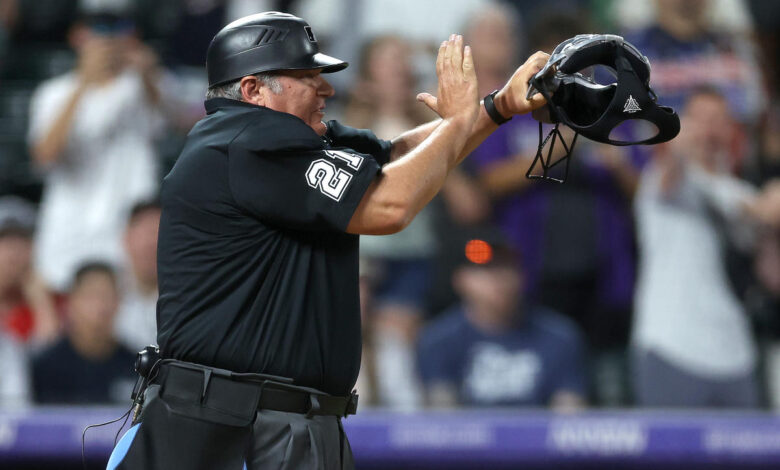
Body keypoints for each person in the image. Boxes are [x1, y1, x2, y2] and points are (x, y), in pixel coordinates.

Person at [106, 11, 549, 470]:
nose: (327, 89)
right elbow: (388, 205)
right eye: (306, 76)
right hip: (224, 428)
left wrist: (497, 108)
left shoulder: (289, 142)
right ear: (253, 89)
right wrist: (458, 123)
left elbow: (398, 156)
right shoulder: (242, 144)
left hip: (276, 422)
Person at [632, 87, 764, 408]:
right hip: (671, 348)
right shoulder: (663, 179)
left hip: (736, 354)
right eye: (700, 119)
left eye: (719, 120)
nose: (709, 129)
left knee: (753, 459)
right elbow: (671, 168)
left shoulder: (740, 191)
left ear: (732, 130)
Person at [27, 9, 167, 292]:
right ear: (78, 39)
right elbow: (44, 155)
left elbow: (184, 121)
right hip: (70, 232)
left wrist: (149, 74)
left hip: (129, 234)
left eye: (115, 36)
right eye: (99, 35)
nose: (107, 45)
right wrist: (83, 83)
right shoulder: (53, 92)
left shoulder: (143, 84)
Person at [417, 232, 587, 409]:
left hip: (535, 435)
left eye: (506, 267)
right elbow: (441, 418)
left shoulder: (559, 336)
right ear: (461, 279)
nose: (499, 278)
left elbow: (569, 416)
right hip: (468, 436)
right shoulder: (439, 339)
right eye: (486, 269)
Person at [31, 262, 136, 404]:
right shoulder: (45, 367)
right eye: (91, 296)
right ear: (71, 302)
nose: (100, 306)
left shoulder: (136, 366)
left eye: (107, 295)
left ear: (119, 301)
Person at [0, 196, 59, 344]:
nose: (14, 253)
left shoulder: (52, 301)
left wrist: (42, 305)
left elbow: (52, 358)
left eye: (22, 242)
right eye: (6, 242)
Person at [114, 200, 161, 351]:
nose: (151, 243)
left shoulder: (189, 296)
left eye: (157, 233)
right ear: (126, 239)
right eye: (144, 234)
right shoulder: (108, 291)